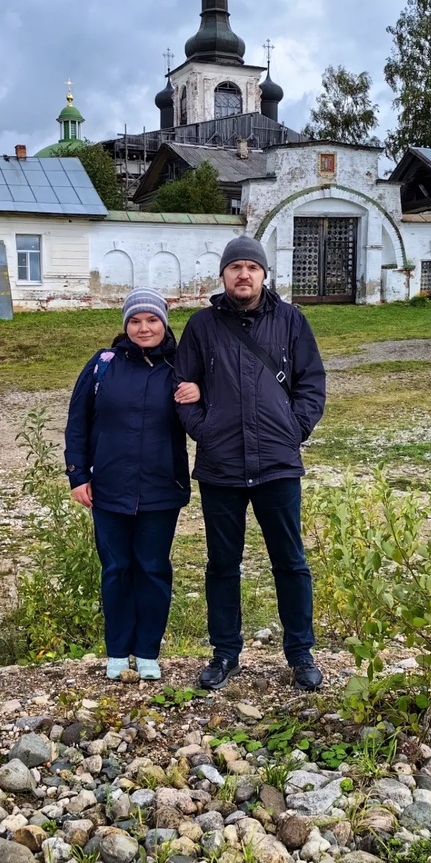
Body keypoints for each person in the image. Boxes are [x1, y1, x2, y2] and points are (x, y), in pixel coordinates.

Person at [174, 236, 327, 691]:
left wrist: (292, 429)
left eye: (251, 267)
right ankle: (224, 653)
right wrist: (207, 430)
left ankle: (300, 654)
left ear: (264, 274)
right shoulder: (201, 326)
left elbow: (312, 383)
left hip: (278, 465)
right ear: (222, 276)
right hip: (221, 467)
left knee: (290, 561)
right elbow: (182, 388)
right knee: (222, 563)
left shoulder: (292, 320)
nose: (244, 274)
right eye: (235, 267)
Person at [64, 288, 200, 681]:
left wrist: (199, 392)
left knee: (154, 568)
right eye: (136, 321)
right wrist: (78, 475)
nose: (144, 328)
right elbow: (78, 423)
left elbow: (208, 414)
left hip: (162, 487)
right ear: (125, 325)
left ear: (164, 322)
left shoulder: (181, 366)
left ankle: (148, 652)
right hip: (108, 487)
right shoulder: (102, 365)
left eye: (152, 320)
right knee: (116, 568)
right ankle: (118, 651)